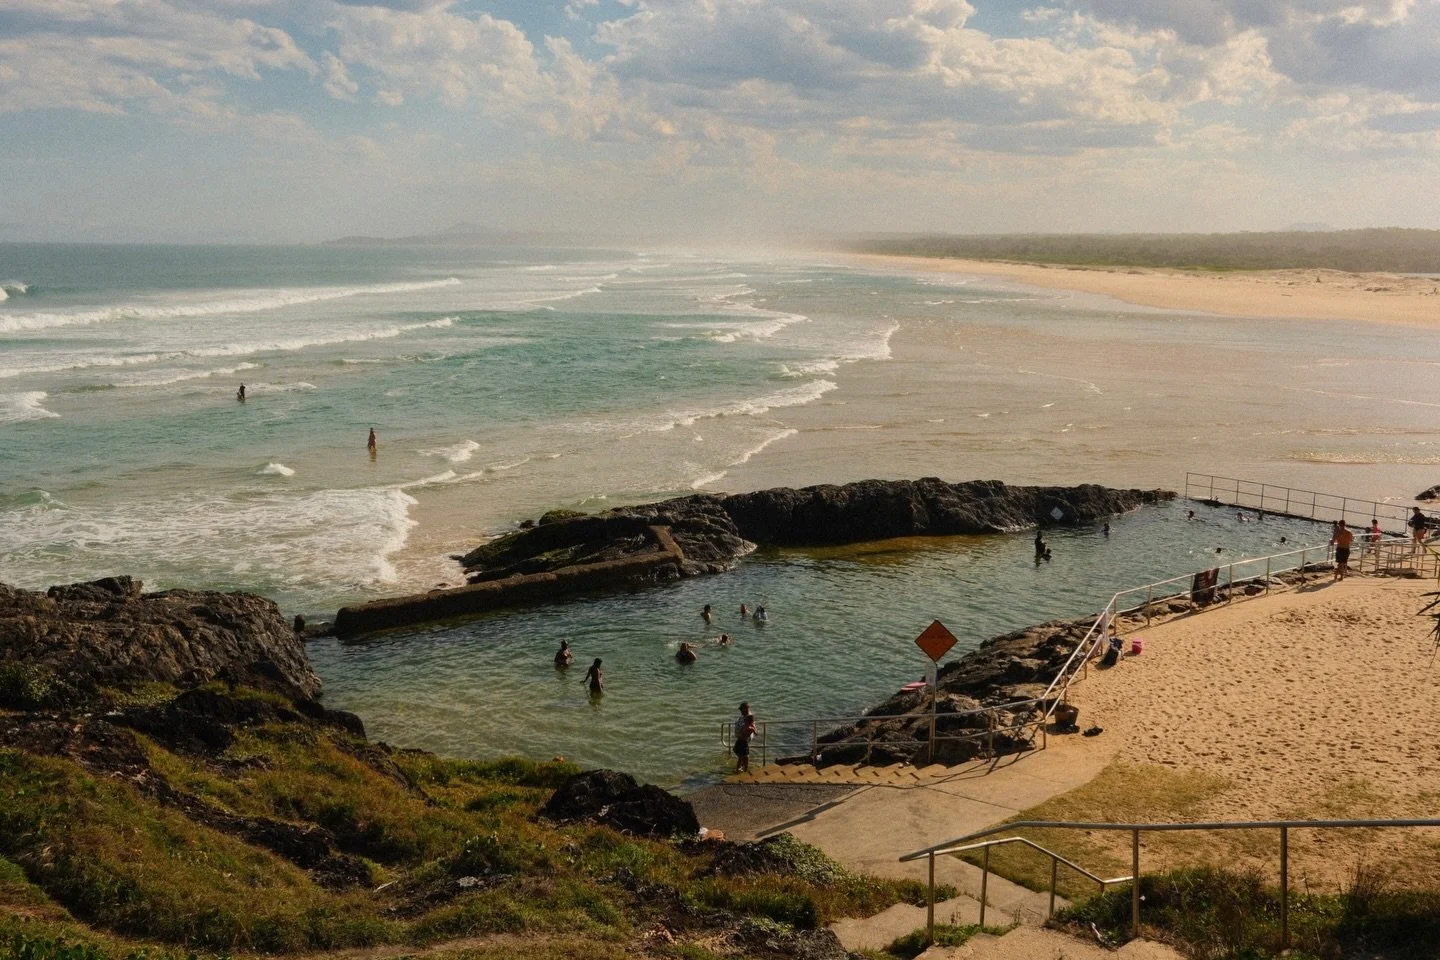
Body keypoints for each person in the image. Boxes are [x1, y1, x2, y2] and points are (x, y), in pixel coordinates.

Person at [733, 702, 757, 774]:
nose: (740, 711)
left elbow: (752, 726)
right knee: (740, 754)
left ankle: (743, 769)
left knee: (744, 756)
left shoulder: (748, 718)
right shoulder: (745, 717)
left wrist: (752, 728)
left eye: (741, 709)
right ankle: (741, 767)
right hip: (741, 739)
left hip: (743, 740)